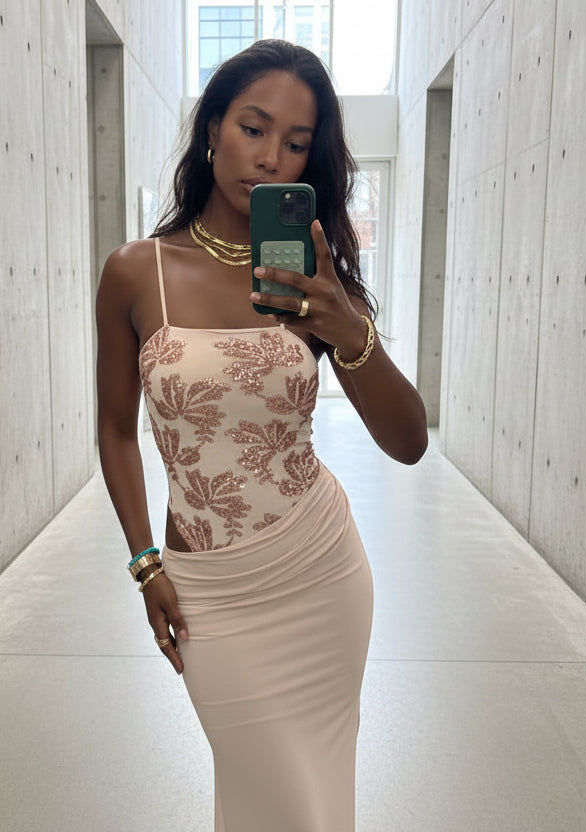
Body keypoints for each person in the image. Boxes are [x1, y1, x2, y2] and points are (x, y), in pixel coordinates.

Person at [96, 39, 427, 832]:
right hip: (209, 591)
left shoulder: (313, 279)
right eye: (253, 128)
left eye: (297, 142)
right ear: (213, 127)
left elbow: (409, 440)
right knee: (273, 798)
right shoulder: (136, 272)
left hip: (319, 569)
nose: (272, 156)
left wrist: (346, 327)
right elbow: (114, 431)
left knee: (311, 804)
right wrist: (145, 564)